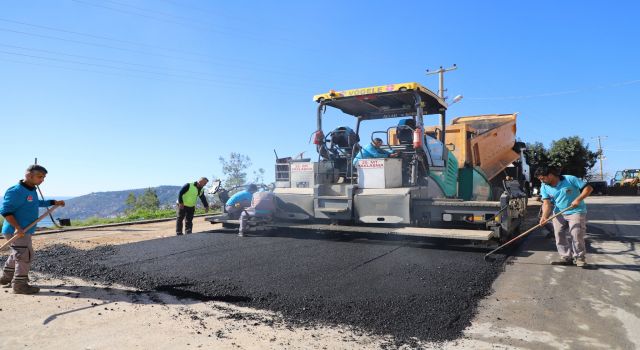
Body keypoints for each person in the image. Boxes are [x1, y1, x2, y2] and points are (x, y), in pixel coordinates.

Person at [1, 165, 66, 294]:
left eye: (44, 177)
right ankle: (19, 285)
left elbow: (36, 202)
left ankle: (6, 277)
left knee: (18, 253)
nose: (42, 180)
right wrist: (17, 227)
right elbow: (5, 210)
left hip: (24, 230)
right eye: (40, 176)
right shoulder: (16, 191)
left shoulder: (31, 190)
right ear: (29, 176)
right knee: (25, 256)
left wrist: (53, 202)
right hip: (16, 231)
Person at [536, 166, 593, 267]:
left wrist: (578, 199)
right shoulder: (544, 186)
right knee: (558, 234)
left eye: (542, 178)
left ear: (550, 175)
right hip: (559, 212)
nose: (541, 181)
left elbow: (588, 188)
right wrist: (544, 217)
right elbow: (546, 203)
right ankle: (566, 257)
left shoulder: (570, 179)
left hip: (576, 211)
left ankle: (580, 258)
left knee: (576, 233)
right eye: (540, 179)